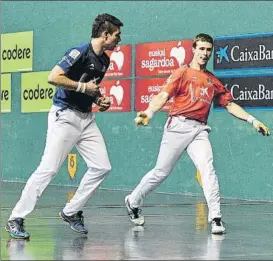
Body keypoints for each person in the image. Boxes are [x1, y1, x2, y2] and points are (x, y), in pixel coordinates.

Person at [125, 33, 270, 234]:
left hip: (199, 129)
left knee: (207, 168)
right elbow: (163, 95)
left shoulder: (212, 80)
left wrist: (252, 120)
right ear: (193, 49)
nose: (205, 53)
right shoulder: (181, 73)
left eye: (208, 50)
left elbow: (228, 104)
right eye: (201, 49)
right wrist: (149, 113)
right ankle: (133, 200)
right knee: (161, 172)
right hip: (177, 126)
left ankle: (216, 218)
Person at [5, 13, 123, 239]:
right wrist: (82, 88)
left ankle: (71, 211)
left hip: (87, 120)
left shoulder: (104, 60)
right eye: (116, 35)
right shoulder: (79, 52)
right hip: (65, 116)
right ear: (104, 34)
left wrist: (99, 100)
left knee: (102, 167)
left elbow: (92, 88)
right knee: (48, 168)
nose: (119, 39)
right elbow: (53, 77)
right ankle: (16, 217)